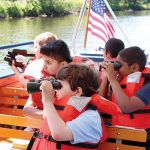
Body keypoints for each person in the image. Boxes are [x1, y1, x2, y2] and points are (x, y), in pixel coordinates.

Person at [31, 63, 121, 150]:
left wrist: (47, 102)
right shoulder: (63, 108)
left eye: (59, 86)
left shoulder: (90, 117)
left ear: (77, 91)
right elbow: (46, 116)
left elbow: (59, 134)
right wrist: (47, 93)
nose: (56, 89)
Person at [101, 46, 150, 149]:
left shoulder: (148, 85)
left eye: (119, 66)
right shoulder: (120, 82)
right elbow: (100, 102)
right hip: (119, 134)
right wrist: (106, 79)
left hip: (141, 138)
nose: (116, 69)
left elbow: (126, 107)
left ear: (134, 68)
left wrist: (113, 81)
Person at [23, 40, 72, 119]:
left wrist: (49, 114)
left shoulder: (73, 85)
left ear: (63, 64)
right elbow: (26, 110)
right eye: (44, 62)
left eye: (49, 63)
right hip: (45, 126)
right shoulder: (43, 81)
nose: (44, 66)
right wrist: (48, 114)